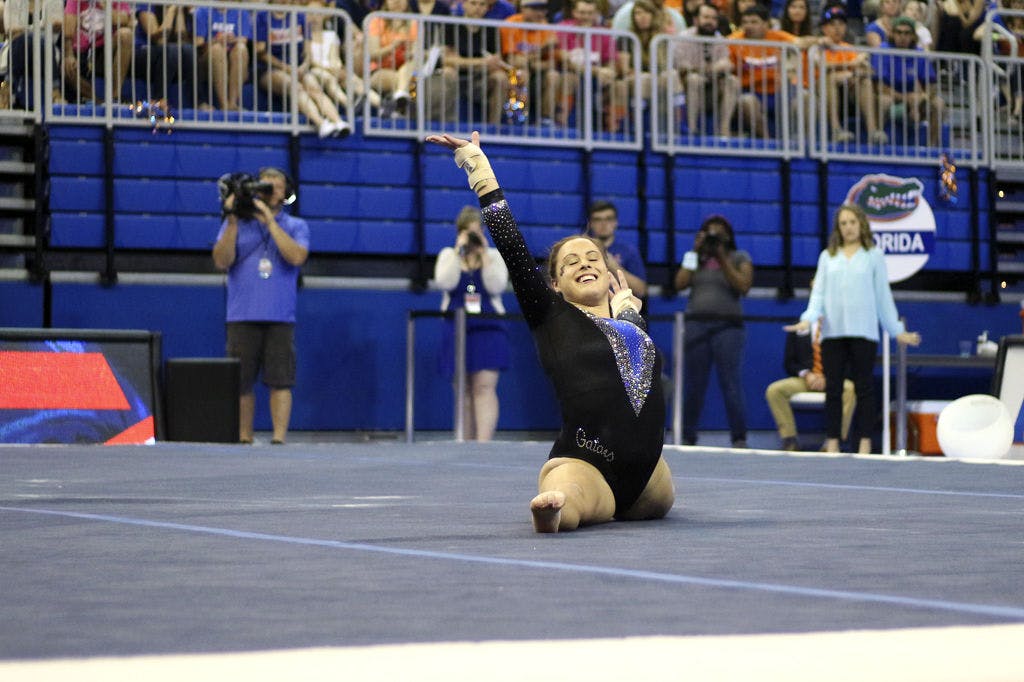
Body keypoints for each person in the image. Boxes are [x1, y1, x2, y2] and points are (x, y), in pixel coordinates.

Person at [427, 130, 675, 533]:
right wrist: (479, 169)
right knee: (569, 493)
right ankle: (555, 509)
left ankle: (605, 497)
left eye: (592, 257)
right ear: (555, 284)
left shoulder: (629, 321)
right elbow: (513, 249)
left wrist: (630, 314)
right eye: (571, 262)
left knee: (663, 490)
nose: (584, 263)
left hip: (649, 482)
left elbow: (634, 375)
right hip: (587, 463)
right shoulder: (552, 316)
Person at [786, 203, 921, 455]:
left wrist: (895, 330)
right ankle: (833, 441)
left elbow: (883, 297)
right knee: (834, 389)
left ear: (861, 225)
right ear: (838, 228)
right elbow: (818, 294)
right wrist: (807, 318)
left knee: (864, 388)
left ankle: (864, 441)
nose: (848, 228)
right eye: (843, 223)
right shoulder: (828, 257)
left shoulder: (873, 256)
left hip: (864, 333)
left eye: (852, 222)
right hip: (833, 334)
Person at [212, 168, 309, 445]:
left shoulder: (295, 226)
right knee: (241, 381)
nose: (271, 190)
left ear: (285, 192)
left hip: (279, 315)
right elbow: (221, 260)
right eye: (266, 185)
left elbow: (296, 257)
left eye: (277, 186)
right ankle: (244, 437)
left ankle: (279, 438)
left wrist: (270, 222)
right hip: (242, 314)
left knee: (281, 380)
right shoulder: (237, 224)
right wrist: (231, 219)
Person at [673, 213, 753, 448]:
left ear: (728, 236)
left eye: (719, 232)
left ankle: (739, 437)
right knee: (694, 384)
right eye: (710, 231)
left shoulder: (739, 257)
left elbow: (743, 286)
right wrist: (695, 251)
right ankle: (688, 436)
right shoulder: (694, 258)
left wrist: (722, 257)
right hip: (696, 324)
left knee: (731, 383)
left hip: (729, 327)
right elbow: (679, 283)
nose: (715, 235)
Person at [433, 205, 510, 442]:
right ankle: (463, 443)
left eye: (478, 231)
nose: (474, 236)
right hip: (457, 328)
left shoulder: (494, 257)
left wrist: (484, 255)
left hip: (488, 328)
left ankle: (484, 444)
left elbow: (496, 286)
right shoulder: (448, 255)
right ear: (459, 232)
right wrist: (459, 252)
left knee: (484, 388)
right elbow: (444, 282)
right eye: (469, 232)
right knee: (462, 391)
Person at [765, 281, 856, 451]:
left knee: (849, 389)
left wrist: (828, 377)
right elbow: (789, 363)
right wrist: (807, 374)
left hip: (832, 379)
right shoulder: (800, 324)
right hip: (806, 379)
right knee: (774, 390)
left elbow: (849, 362)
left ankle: (833, 440)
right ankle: (790, 440)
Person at [254, 0, 350, 138]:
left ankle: (338, 122)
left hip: (298, 68)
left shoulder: (299, 16)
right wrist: (287, 68)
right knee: (294, 86)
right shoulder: (263, 16)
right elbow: (261, 53)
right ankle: (321, 123)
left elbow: (307, 53)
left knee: (314, 86)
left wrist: (304, 66)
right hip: (270, 70)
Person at [871, 15, 944, 147]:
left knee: (938, 104)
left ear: (913, 36)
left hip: (915, 101)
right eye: (898, 32)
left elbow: (931, 85)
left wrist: (922, 98)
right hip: (891, 97)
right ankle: (877, 141)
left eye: (907, 33)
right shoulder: (883, 50)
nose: (902, 36)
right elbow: (880, 87)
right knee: (884, 101)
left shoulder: (919, 53)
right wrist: (906, 98)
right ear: (892, 34)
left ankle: (931, 147)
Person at [727, 4, 798, 138]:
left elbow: (801, 42)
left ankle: (802, 143)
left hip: (778, 92)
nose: (748, 26)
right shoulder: (733, 40)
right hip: (749, 91)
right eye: (745, 22)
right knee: (747, 101)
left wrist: (821, 40)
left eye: (754, 22)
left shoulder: (776, 37)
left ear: (766, 24)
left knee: (804, 97)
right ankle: (768, 143)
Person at [437, 0, 509, 124]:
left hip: (480, 78)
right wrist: (480, 62)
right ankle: (446, 124)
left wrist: (462, 61)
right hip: (456, 76)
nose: (477, 8)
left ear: (488, 8)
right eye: (473, 3)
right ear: (464, 5)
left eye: (482, 4)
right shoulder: (451, 24)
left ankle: (494, 126)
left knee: (500, 77)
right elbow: (447, 60)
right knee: (448, 72)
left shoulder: (492, 29)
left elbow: (496, 63)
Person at [674, 1, 739, 137]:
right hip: (686, 91)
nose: (710, 22)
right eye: (706, 17)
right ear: (696, 20)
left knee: (732, 81)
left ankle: (724, 131)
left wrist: (714, 69)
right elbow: (682, 68)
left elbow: (727, 64)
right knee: (694, 79)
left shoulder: (719, 39)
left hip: (711, 91)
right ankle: (691, 130)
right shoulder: (684, 37)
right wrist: (711, 69)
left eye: (713, 18)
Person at [62, 0, 135, 103]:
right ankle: (99, 101)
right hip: (81, 49)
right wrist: (69, 55)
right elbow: (68, 29)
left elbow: (124, 20)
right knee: (67, 67)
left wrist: (104, 5)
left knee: (126, 35)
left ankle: (115, 97)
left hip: (105, 48)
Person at [192, 0, 253, 111]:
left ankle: (232, 104)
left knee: (241, 49)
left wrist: (232, 39)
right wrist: (216, 40)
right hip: (207, 62)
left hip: (232, 60)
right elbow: (198, 43)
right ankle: (224, 105)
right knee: (217, 49)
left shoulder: (241, 12)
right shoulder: (202, 10)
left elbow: (243, 40)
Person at [133, 1, 196, 108]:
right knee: (171, 49)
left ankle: (198, 102)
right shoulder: (147, 5)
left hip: (170, 59)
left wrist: (179, 12)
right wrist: (171, 11)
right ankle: (158, 99)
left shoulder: (182, 9)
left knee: (189, 49)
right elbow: (159, 41)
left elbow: (182, 41)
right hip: (144, 55)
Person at [585, 200, 647, 300]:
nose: (603, 224)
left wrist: (614, 267)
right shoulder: (582, 250)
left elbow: (641, 291)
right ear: (590, 224)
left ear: (615, 222)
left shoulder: (628, 251)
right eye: (598, 220)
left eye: (608, 219)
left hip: (619, 308)